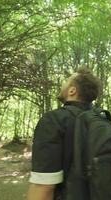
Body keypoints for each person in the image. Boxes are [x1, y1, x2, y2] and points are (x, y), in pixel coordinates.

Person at [26, 68, 102, 200]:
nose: (63, 85)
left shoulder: (54, 120)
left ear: (72, 91)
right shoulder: (103, 121)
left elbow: (43, 187)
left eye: (66, 82)